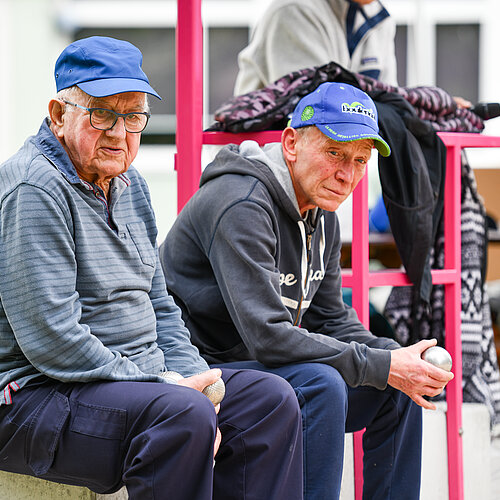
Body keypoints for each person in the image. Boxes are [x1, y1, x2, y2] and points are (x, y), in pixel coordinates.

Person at [0, 36, 304, 500]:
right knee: (180, 413)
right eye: (102, 113)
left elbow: (160, 306)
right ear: (60, 116)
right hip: (35, 397)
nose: (120, 134)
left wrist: (198, 383)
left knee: (270, 399)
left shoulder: (131, 184)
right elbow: (53, 340)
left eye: (134, 116)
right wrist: (168, 385)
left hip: (135, 385)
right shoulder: (34, 187)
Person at [160, 82, 454, 500]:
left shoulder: (320, 213)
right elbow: (268, 335)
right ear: (291, 142)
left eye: (359, 160)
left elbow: (331, 318)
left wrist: (398, 360)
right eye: (334, 153)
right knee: (323, 384)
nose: (346, 175)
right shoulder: (241, 202)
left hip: (262, 365)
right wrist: (381, 363)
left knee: (397, 383)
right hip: (204, 371)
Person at [234, 0, 398, 96]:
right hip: (265, 151)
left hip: (343, 149)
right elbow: (317, 109)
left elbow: (393, 104)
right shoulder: (295, 10)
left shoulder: (381, 20)